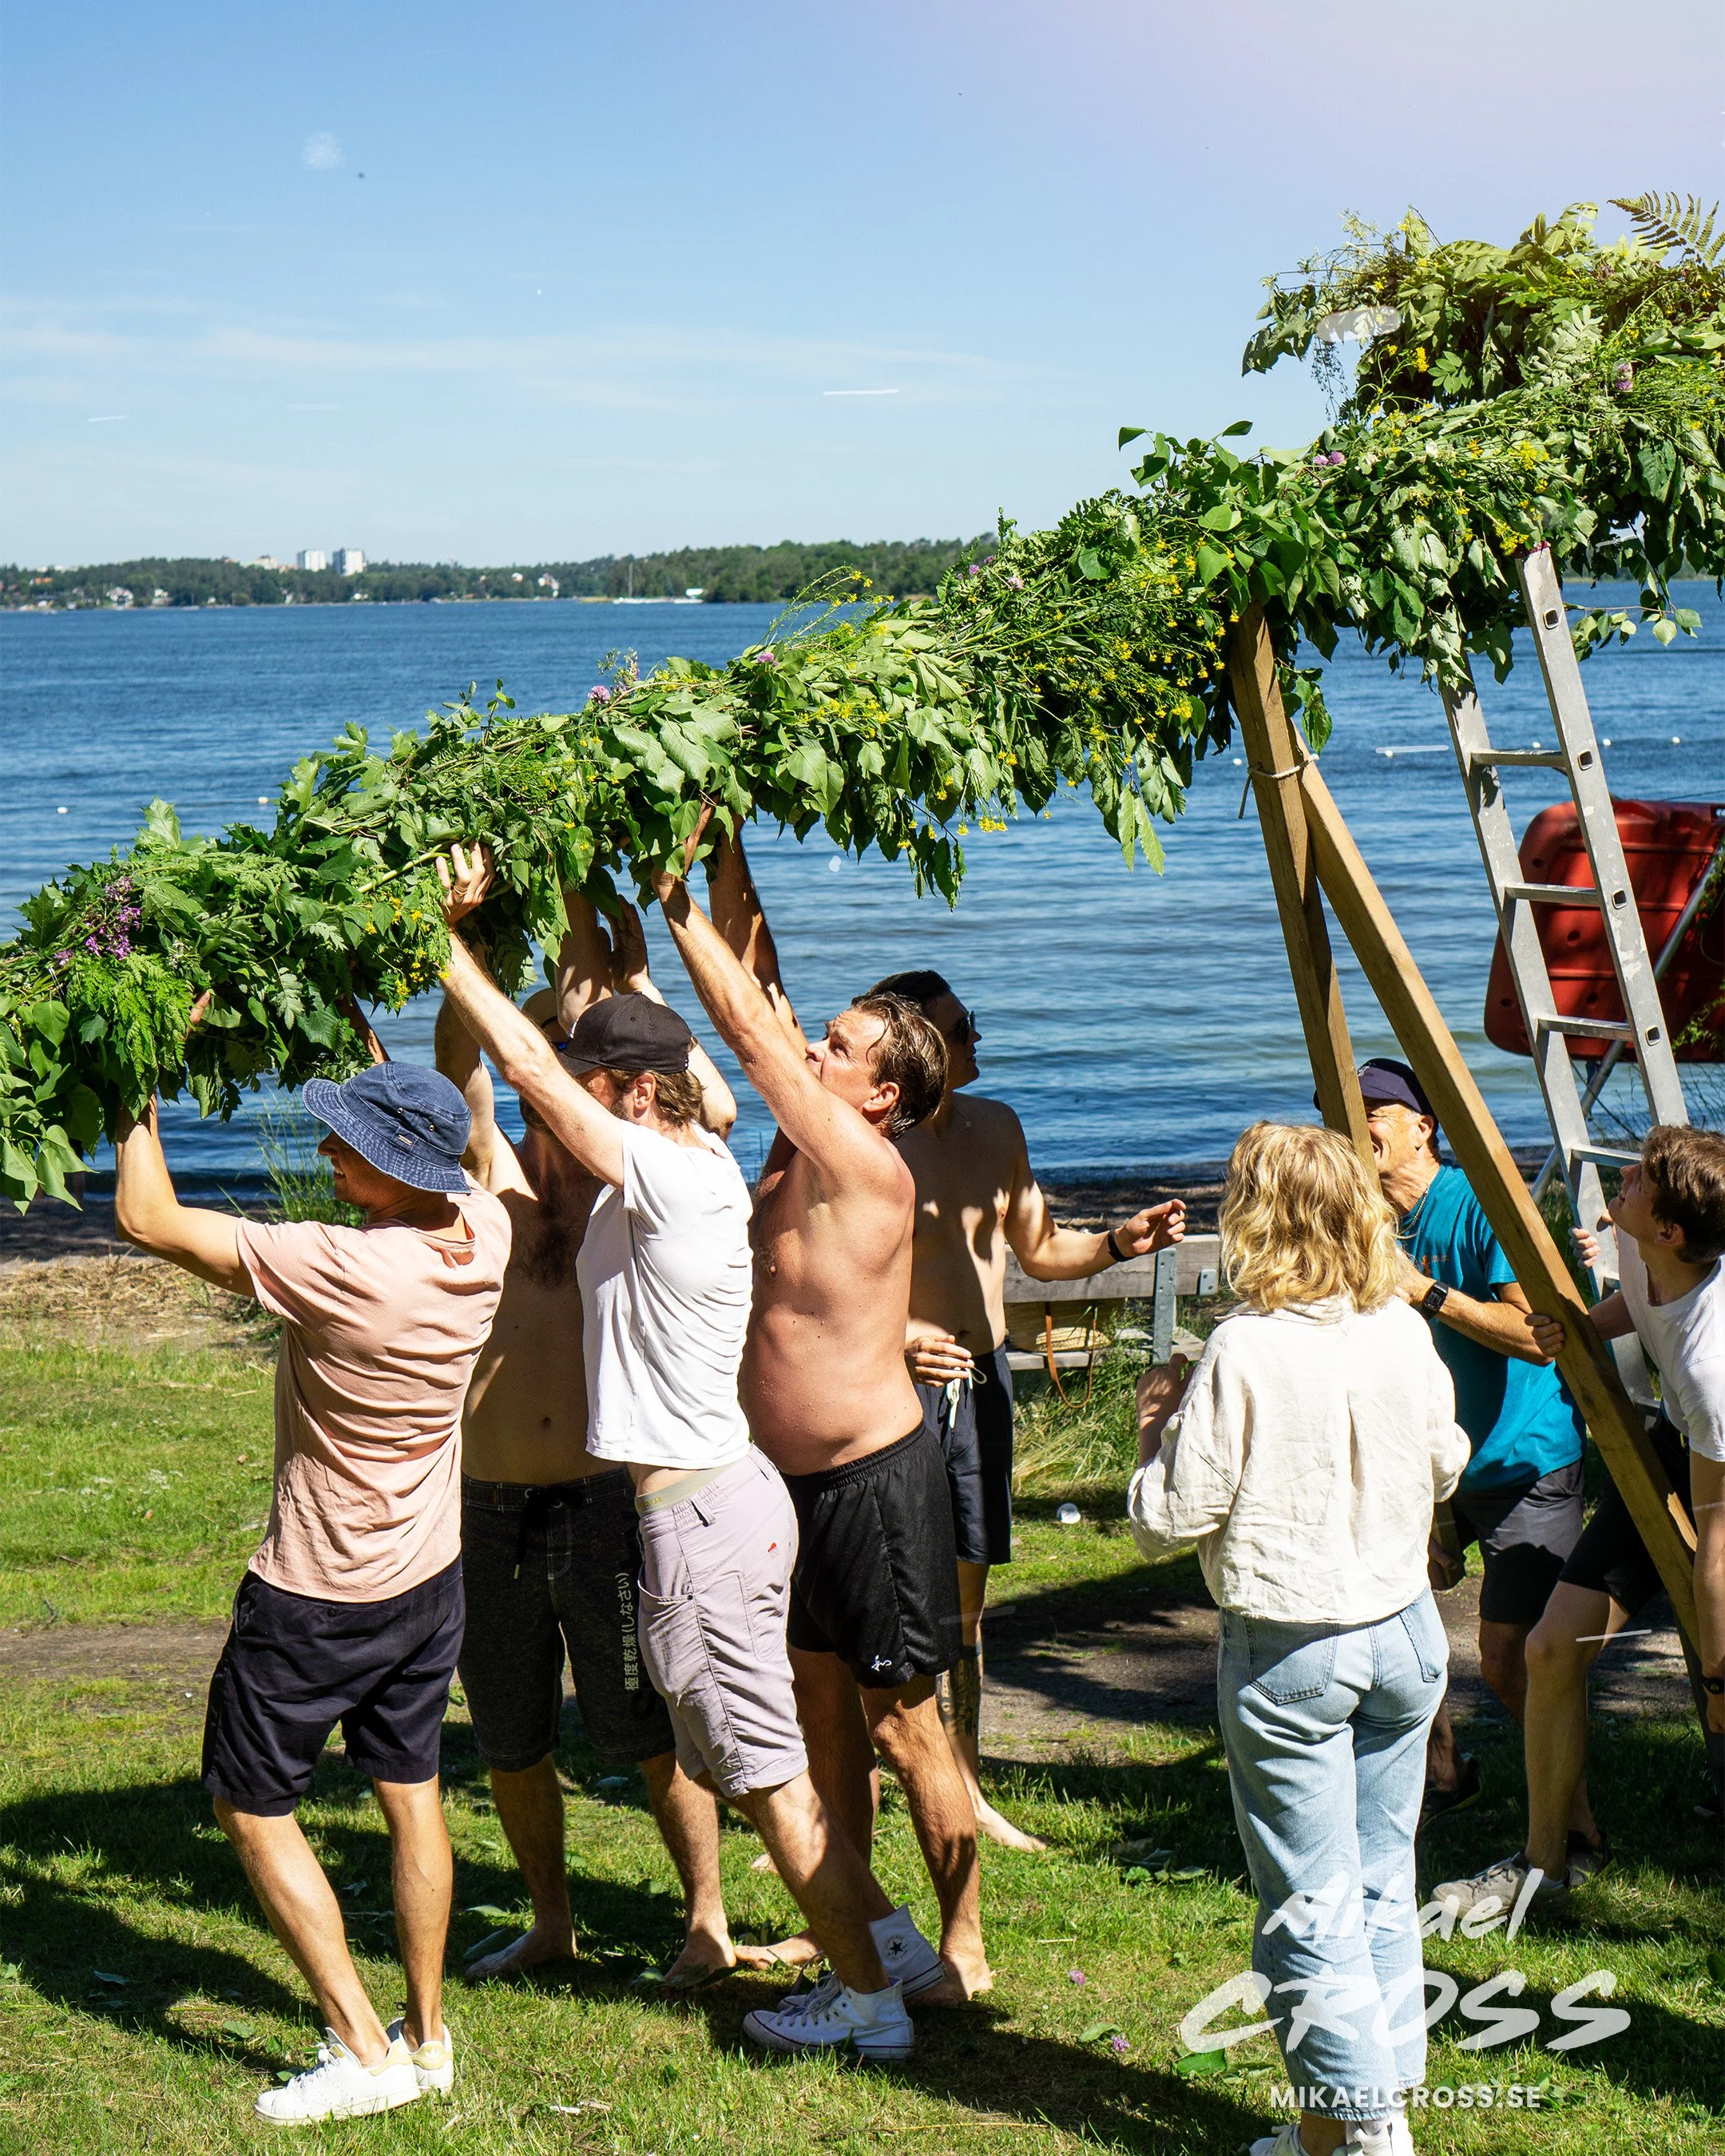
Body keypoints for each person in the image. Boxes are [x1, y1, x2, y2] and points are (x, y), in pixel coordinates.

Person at [436, 843, 926, 2062]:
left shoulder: (664, 1175)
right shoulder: (678, 1160)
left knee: (767, 1779)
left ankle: (869, 2008)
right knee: (750, 1754)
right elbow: (584, 1035)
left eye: (597, 1090)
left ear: (634, 1097)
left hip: (703, 1515)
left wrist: (437, 943)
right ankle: (896, 1950)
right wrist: (581, 901)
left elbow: (536, 1067)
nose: (573, 1110)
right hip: (709, 1506)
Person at [114, 1060, 511, 2125]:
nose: (327, 1154)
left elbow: (148, 1218)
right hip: (427, 1579)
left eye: (344, 1144)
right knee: (411, 1790)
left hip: (318, 1589)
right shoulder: (485, 1231)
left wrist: (128, 1080)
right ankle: (428, 2037)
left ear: (393, 1165)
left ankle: (360, 2045)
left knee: (250, 1807)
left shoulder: (345, 1267)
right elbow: (472, 1141)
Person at [654, 826, 992, 2006]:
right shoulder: (805, 1154)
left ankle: (962, 1947)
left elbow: (750, 1026)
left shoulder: (866, 1159)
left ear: (881, 1092)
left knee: (907, 1729)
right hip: (778, 1484)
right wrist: (725, 861)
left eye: (837, 1048)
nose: (813, 1045)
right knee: (816, 1719)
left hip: (870, 1481)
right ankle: (866, 1923)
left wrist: (670, 903)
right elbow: (770, 984)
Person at [1130, 1122, 1469, 2156]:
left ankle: (1367, 2134)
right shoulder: (1397, 1328)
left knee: (1310, 1907)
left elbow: (1170, 1516)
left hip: (1296, 1648)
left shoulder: (1244, 1347)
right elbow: (1447, 1461)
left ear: (1256, 1218)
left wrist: (1153, 1431)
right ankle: (1356, 2120)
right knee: (1379, 1882)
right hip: (1406, 1635)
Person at [435, 890, 748, 1987]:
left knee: (647, 1726)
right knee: (511, 1736)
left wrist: (617, 963)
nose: (556, 1080)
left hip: (604, 1497)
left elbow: (705, 1095)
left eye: (577, 1064)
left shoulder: (635, 1190)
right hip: (490, 1504)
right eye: (549, 1063)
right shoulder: (496, 1175)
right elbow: (462, 1073)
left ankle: (705, 1918)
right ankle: (551, 1919)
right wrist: (459, 943)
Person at [868, 966, 1185, 1851]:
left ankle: (963, 1783)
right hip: (891, 1384)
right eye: (960, 1030)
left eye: (973, 1024)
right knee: (889, 1591)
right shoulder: (870, 1143)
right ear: (914, 1044)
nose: (977, 1041)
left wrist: (1125, 1239)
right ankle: (881, 1761)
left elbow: (1040, 1253)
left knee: (966, 1601)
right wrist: (892, 1340)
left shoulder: (996, 1126)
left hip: (981, 1379)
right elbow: (815, 1276)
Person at [1437, 1122, 1725, 1921]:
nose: (1617, 1185)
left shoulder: (1713, 1359)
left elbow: (1718, 1547)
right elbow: (1637, 1300)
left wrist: (1716, 1677)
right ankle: (1549, 1864)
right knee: (1550, 1647)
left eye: (1635, 1181)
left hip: (1717, 1454)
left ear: (1670, 1229)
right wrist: (1586, 1329)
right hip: (1673, 1441)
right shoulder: (1639, 1244)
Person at [1351, 1058, 1586, 1845]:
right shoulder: (1363, 1225)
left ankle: (1576, 1824)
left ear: (1424, 1126)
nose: (1357, 1123)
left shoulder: (1476, 1204)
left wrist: (1422, 1291)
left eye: (1372, 1108)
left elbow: (1536, 1336)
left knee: (1507, 1659)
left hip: (1523, 1459)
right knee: (1390, 1635)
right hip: (1422, 1467)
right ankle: (1444, 1773)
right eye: (1342, 1111)